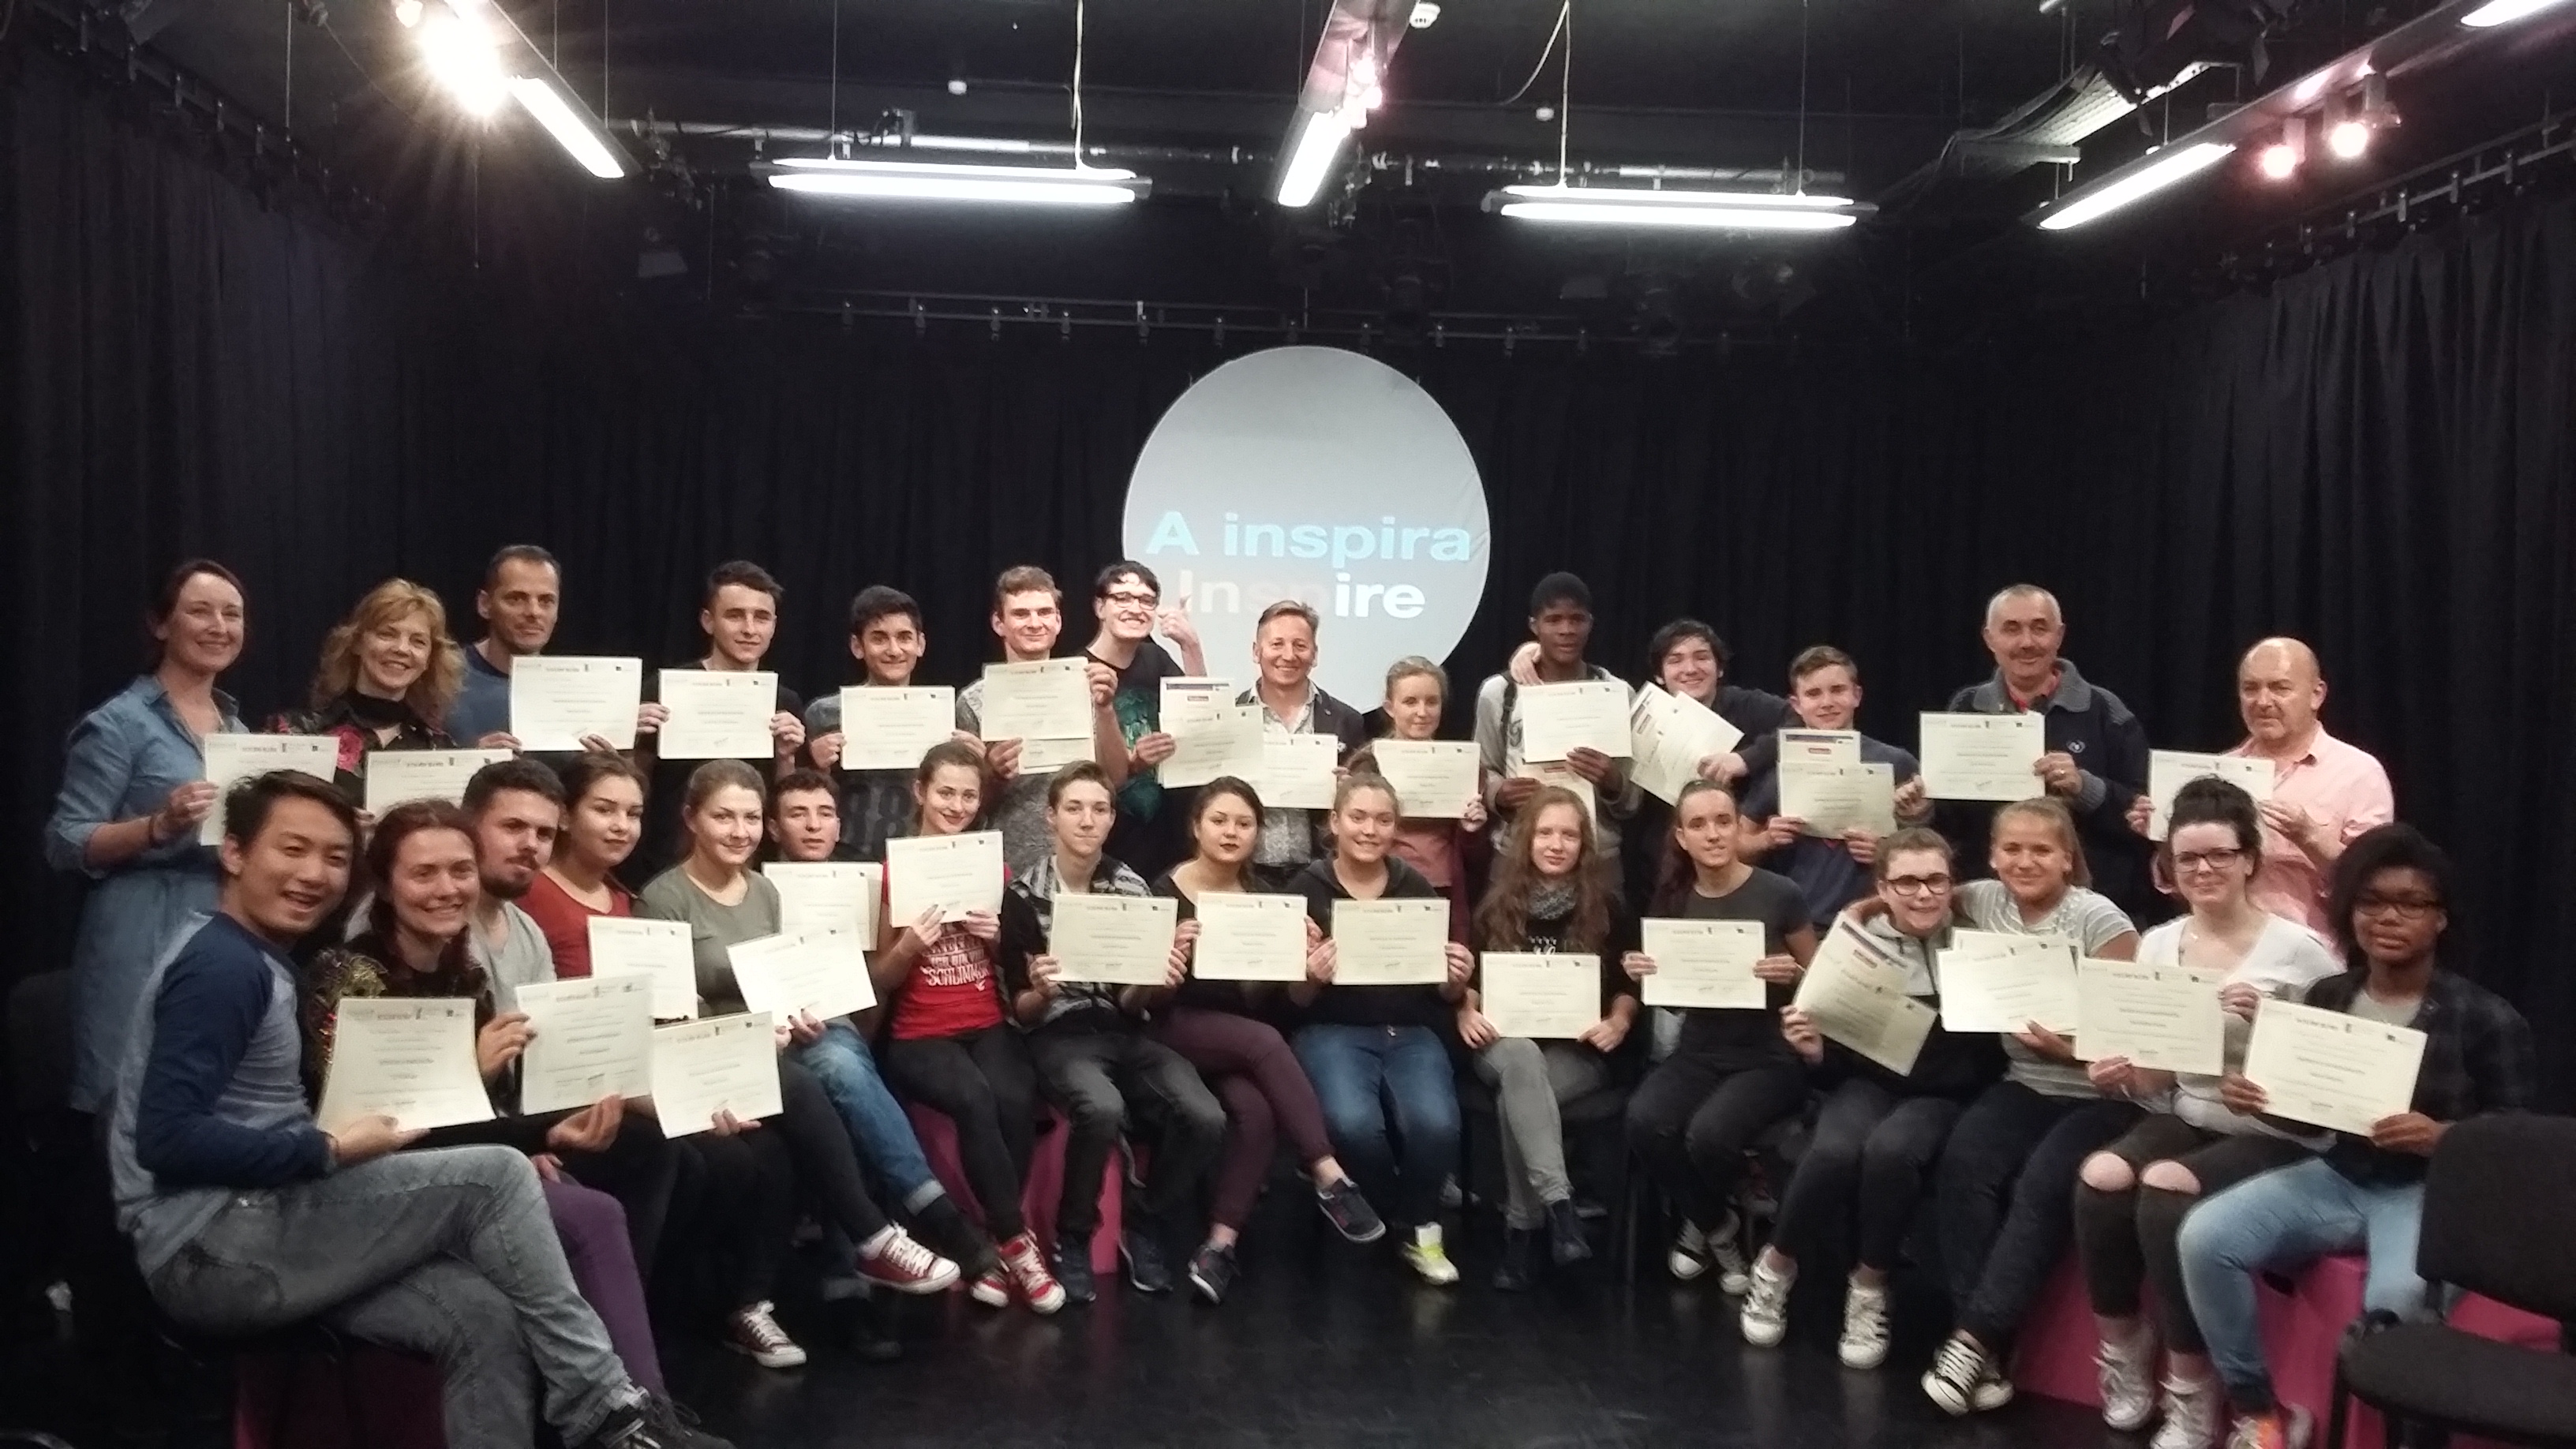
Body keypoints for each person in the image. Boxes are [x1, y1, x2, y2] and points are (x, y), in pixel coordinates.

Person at [105, 770, 723, 1448]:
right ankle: (608, 1411)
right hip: (212, 1247)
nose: (314, 874)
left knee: (481, 1315)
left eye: (334, 857)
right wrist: (327, 1148)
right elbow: (166, 1140)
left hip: (260, 1224)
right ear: (233, 852)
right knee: (498, 1175)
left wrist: (545, 1128)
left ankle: (614, 1411)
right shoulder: (226, 967)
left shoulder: (256, 957)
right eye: (292, 850)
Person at [294, 799, 677, 1397]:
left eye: (461, 870)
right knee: (591, 1216)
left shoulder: (466, 975)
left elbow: (487, 1110)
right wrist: (495, 1101)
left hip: (472, 1160)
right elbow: (377, 1127)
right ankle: (637, 1407)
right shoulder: (349, 975)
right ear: (386, 888)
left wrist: (536, 1138)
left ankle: (609, 1388)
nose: (448, 889)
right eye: (424, 874)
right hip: (370, 1180)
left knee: (628, 1160)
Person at [2178, 826, 2536, 1449]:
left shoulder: (2485, 1017)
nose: (2388, 917)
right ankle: (2259, 1409)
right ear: (2350, 912)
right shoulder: (2329, 996)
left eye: (2410, 903)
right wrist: (2262, 1101)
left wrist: (2444, 1137)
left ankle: (2407, 1438)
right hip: (2338, 1174)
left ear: (2441, 919)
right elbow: (2308, 1119)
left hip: (2428, 1192)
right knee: (2204, 1238)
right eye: (2371, 901)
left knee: (2394, 1299)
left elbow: (2516, 1139)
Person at [638, 761, 964, 1364]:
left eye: (748, 818)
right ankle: (874, 1235)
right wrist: (750, 1035)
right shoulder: (663, 899)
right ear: (691, 818)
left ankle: (751, 1309)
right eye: (723, 816)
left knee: (797, 1136)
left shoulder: (765, 892)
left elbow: (778, 978)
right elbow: (669, 1010)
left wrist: (798, 1014)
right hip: (704, 1059)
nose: (738, 831)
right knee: (809, 1088)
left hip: (770, 1051)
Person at [2072, 778, 2342, 1449]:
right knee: (2101, 1177)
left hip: (2274, 1129)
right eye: (2188, 858)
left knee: (2165, 1189)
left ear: (2250, 859)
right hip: (2188, 1110)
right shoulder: (2159, 945)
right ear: (2169, 867)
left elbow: (2333, 1073)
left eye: (2220, 854)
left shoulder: (2302, 950)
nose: (2203, 870)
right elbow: (2156, 1076)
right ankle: (2124, 1349)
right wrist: (2120, 1074)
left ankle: (2191, 1389)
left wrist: (2273, 1023)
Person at [1740, 831, 2004, 1372]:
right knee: (1834, 1151)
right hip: (1867, 1084)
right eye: (1906, 882)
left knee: (1893, 1151)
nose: (1923, 893)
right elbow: (1835, 1062)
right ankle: (1777, 1264)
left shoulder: (1979, 945)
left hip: (1943, 1094)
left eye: (1936, 880)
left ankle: (1869, 1285)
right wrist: (1814, 1051)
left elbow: (1987, 1057)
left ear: (1952, 883)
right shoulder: (1855, 948)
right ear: (1882, 888)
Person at [1920, 796, 2144, 1416]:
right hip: (2024, 1083)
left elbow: (2131, 1038)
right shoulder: (1983, 900)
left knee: (2044, 1181)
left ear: (2068, 858)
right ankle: (1985, 1351)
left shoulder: (2101, 920)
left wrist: (2066, 1048)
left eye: (2041, 849)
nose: (2025, 861)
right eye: (2011, 848)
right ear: (1993, 856)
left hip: (2100, 1093)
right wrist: (1868, 907)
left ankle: (1974, 1337)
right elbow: (1922, 896)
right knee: (1963, 1163)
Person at [998, 763, 1227, 1301]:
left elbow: (1133, 1000)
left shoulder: (1131, 886)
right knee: (1100, 1107)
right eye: (1074, 808)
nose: (1087, 820)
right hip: (1058, 1031)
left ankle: (1143, 1220)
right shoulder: (1023, 895)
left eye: (1099, 809)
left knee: (1206, 1116)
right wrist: (1042, 991)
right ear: (1051, 817)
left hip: (1124, 1028)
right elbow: (1023, 1012)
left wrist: (1155, 980)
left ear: (1111, 819)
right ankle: (1074, 1236)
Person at [1153, 777, 1387, 1303]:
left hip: (1237, 1038)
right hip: (1171, 1027)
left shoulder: (1266, 901)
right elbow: (1145, 998)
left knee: (1257, 1112)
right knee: (1263, 1041)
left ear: (1258, 833)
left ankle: (1219, 1246)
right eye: (1219, 821)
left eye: (1244, 823)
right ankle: (1328, 1174)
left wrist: (1302, 968)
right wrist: (1169, 956)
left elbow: (1274, 1001)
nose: (1231, 832)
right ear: (1196, 826)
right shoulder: (1163, 892)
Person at [764, 768, 1000, 1285]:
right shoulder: (758, 888)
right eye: (798, 815)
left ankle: (854, 1266)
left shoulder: (864, 884)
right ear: (774, 827)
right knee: (841, 1069)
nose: (813, 826)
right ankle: (936, 1220)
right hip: (769, 1033)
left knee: (844, 1065)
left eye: (825, 814)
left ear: (840, 824)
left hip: (838, 1025)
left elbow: (876, 984)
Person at [871, 742, 1065, 1313]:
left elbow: (1013, 966)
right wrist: (908, 945)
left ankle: (998, 1243)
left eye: (969, 795)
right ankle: (1017, 1245)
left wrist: (997, 937)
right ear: (920, 792)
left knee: (1016, 1096)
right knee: (975, 1098)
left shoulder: (991, 868)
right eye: (946, 793)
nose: (957, 805)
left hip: (985, 1023)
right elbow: (878, 978)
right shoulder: (890, 874)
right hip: (918, 1034)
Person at [47, 560, 249, 1115]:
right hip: (139, 935)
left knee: (218, 1108)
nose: (219, 626)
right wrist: (157, 826)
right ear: (161, 625)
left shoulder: (239, 729)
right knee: (132, 1114)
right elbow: (65, 841)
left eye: (232, 614)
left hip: (222, 933)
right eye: (200, 611)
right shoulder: (118, 724)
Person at [1620, 781, 1814, 1295]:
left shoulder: (1780, 893)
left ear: (1738, 828)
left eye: (1723, 821)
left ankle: (1701, 1226)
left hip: (1769, 1056)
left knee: (1709, 1135)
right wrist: (1648, 979)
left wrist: (1792, 974)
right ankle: (1718, 1224)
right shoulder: (1674, 900)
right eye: (1699, 824)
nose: (1713, 834)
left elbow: (1820, 984)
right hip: (1699, 1050)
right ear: (1681, 837)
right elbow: (1674, 1004)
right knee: (1644, 1120)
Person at [1288, 773, 1477, 1286]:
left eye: (1383, 820)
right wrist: (1310, 975)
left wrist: (1455, 981)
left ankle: (1419, 1228)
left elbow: (1442, 994)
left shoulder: (1415, 887)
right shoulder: (1305, 889)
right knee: (1352, 1125)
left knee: (1437, 1124)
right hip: (1331, 1030)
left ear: (1397, 828)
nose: (1370, 830)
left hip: (1409, 1031)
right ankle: (1397, 1214)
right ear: (1334, 822)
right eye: (1358, 817)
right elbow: (1292, 1001)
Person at [1458, 785, 1641, 1289]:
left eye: (1569, 835)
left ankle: (1522, 1230)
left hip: (1577, 1051)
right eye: (1545, 833)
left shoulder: (1608, 908)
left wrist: (1619, 1021)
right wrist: (1466, 1011)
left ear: (1585, 845)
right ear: (1526, 839)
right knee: (1520, 1058)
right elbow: (1470, 983)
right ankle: (1561, 1208)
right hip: (1501, 1044)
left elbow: (1627, 987)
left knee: (1518, 1100)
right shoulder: (1495, 906)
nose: (1556, 845)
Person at [1512, 619, 1792, 907]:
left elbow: (1800, 721)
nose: (1690, 669)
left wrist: (1744, 760)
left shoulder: (1746, 705)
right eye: (1675, 660)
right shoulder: (1639, 713)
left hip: (1739, 859)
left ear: (1719, 668)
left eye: (1702, 657)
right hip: (1661, 867)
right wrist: (1531, 652)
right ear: (1660, 675)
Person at [2125, 638, 2394, 935]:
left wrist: (2310, 837)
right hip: (2223, 945)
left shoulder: (2358, 773)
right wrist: (2163, 836)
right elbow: (2185, 887)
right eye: (2251, 689)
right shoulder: (2217, 772)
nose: (2263, 702)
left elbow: (2377, 883)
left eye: (2280, 688)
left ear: (2316, 695)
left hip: (2315, 950)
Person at [1942, 584, 2153, 915]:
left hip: (2091, 906)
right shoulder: (1966, 707)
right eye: (2012, 629)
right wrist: (1918, 810)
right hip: (1987, 905)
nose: (2027, 642)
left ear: (2059, 635)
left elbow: (2146, 813)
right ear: (1989, 638)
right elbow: (1948, 816)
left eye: (2039, 628)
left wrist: (2085, 787)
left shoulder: (2105, 709)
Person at [630, 561, 808, 884]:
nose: (749, 629)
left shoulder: (786, 701)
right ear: (708, 621)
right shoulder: (665, 688)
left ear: (774, 625)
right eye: (735, 615)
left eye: (761, 617)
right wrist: (630, 741)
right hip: (671, 861)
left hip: (751, 864)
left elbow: (785, 802)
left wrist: (787, 758)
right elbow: (635, 783)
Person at [1738, 646, 1934, 932]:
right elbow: (1736, 847)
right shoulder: (1779, 766)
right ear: (1796, 704)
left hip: (1877, 920)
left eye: (1838, 690)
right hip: (1796, 925)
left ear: (1857, 695)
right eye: (1813, 694)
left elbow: (1931, 854)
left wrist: (1885, 852)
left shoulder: (1897, 762)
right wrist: (1766, 839)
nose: (1827, 702)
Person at [953, 566, 1130, 876]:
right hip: (1006, 864)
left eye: (1045, 612)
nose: (1035, 623)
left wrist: (1105, 710)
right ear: (999, 623)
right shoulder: (973, 701)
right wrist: (992, 774)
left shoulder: (1090, 688)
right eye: (1021, 614)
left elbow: (1115, 778)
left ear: (1058, 621)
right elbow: (961, 809)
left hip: (1079, 862)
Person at [1473, 573, 1641, 898]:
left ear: (1590, 624)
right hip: (1516, 854)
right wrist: (1499, 794)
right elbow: (1481, 769)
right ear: (1534, 626)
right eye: (1554, 620)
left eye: (1576, 619)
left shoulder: (1617, 694)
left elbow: (1634, 796)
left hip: (1598, 858)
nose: (1566, 630)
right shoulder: (1501, 693)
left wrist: (1612, 781)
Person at [269, 579, 464, 801]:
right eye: (387, 634)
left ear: (429, 659)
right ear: (357, 643)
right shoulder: (294, 734)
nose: (402, 649)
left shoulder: (441, 750)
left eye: (418, 642)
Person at [803, 586, 953, 863]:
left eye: (904, 637)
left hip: (921, 855)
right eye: (879, 638)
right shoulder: (824, 714)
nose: (894, 650)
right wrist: (817, 766)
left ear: (921, 644)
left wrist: (979, 765)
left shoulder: (945, 714)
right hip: (845, 856)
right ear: (857, 646)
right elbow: (800, 800)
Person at [1234, 601, 1372, 888]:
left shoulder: (1346, 720)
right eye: (1277, 644)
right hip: (1243, 872)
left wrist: (1349, 790)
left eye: (1300, 645)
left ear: (1315, 654)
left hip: (1322, 874)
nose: (1289, 655)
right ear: (1256, 651)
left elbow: (1363, 802)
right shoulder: (1231, 716)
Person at [1082, 560, 1205, 879]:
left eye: (1146, 600)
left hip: (1167, 841)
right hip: (1107, 843)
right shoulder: (1079, 672)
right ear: (1100, 607)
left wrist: (1190, 646)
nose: (1135, 608)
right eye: (1122, 598)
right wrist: (1132, 763)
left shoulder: (1156, 659)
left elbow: (1203, 720)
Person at [1352, 657, 1488, 941]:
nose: (1422, 712)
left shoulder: (1463, 766)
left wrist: (1472, 830)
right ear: (1390, 707)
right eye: (1410, 702)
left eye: (1432, 702)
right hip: (1379, 887)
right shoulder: (1366, 764)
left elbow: (1477, 859)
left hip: (1442, 889)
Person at [522, 753, 652, 981]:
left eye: (633, 814)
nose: (622, 826)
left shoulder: (622, 899)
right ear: (564, 817)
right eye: (604, 810)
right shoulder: (529, 894)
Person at [445, 545, 563, 747]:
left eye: (546, 601)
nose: (534, 612)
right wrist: (471, 759)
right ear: (485, 604)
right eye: (516, 599)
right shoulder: (443, 678)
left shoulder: (576, 690)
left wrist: (611, 757)